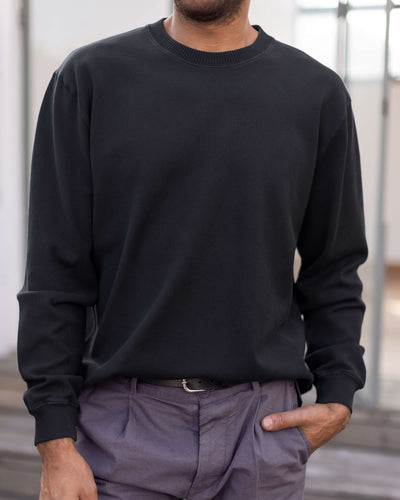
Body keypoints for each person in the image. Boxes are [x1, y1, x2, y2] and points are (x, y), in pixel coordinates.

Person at [16, 0, 369, 498]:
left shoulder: (316, 93)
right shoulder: (90, 79)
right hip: (122, 432)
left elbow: (334, 264)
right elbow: (55, 270)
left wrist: (338, 392)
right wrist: (54, 438)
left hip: (262, 432)